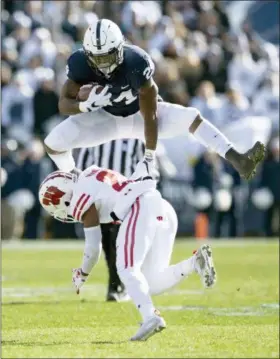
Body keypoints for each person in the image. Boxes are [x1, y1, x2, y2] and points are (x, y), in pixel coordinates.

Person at [44, 18, 265, 183]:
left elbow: (150, 114)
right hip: (105, 119)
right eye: (97, 58)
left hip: (139, 116)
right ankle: (74, 180)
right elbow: (63, 103)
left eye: (107, 57)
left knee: (191, 118)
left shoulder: (136, 62)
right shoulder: (80, 63)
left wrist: (149, 156)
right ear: (88, 54)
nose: (102, 64)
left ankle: (239, 159)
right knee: (53, 144)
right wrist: (83, 106)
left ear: (120, 49)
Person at [38, 166, 216, 341]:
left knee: (126, 268)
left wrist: (82, 274)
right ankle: (194, 263)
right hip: (161, 206)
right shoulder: (90, 174)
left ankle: (150, 317)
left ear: (62, 196)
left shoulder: (79, 196)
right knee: (150, 283)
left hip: (140, 206)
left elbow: (93, 248)